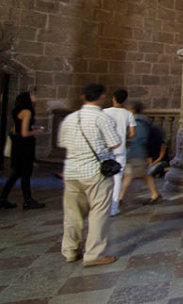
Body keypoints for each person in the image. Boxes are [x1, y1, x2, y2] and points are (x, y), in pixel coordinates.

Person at [57, 83, 121, 266]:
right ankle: (93, 254)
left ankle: (70, 251)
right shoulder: (102, 118)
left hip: (71, 171)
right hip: (95, 172)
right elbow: (114, 143)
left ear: (83, 97)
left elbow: (63, 143)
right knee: (98, 213)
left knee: (71, 214)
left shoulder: (70, 118)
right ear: (101, 97)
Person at [0, 91, 46, 209]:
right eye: (32, 95)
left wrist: (31, 128)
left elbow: (17, 128)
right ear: (27, 99)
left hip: (18, 145)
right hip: (25, 146)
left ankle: (3, 198)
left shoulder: (18, 111)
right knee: (25, 173)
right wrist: (37, 131)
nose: (35, 96)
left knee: (16, 173)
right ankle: (27, 200)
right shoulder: (27, 111)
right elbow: (25, 133)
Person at [119, 102, 161, 206]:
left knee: (129, 175)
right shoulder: (138, 121)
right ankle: (155, 194)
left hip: (136, 153)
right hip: (137, 153)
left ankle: (119, 198)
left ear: (132, 111)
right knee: (143, 176)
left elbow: (137, 139)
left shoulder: (138, 123)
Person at [103, 89, 135, 217]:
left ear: (113, 98)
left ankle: (102, 205)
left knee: (104, 176)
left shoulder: (104, 112)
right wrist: (124, 139)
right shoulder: (128, 114)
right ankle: (114, 207)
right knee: (117, 178)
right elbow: (133, 133)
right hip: (120, 149)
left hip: (107, 148)